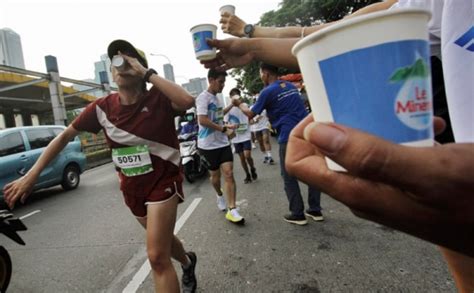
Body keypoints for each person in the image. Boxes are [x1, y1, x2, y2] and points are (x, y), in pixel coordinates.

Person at [3, 40, 198, 292]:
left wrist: (146, 72)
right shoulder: (102, 108)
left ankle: (180, 264)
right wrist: (31, 175)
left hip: (163, 181)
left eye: (127, 59)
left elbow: (187, 101)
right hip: (132, 187)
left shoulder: (159, 98)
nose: (119, 64)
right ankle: (187, 260)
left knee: (156, 257)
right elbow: (63, 137)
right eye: (114, 60)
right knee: (163, 242)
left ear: (139, 68)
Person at [233, 63, 323, 226]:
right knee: (311, 171)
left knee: (288, 176)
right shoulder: (289, 85)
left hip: (289, 135)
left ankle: (297, 213)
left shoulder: (267, 91)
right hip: (307, 132)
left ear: (266, 74)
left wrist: (239, 102)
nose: (261, 77)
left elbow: (250, 114)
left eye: (261, 74)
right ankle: (315, 209)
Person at [195, 69, 245, 224]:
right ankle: (219, 194)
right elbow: (202, 120)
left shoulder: (217, 99)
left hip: (222, 143)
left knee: (229, 174)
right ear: (211, 80)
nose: (223, 85)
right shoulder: (202, 98)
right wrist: (223, 129)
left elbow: (218, 116)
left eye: (224, 82)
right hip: (208, 146)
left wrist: (228, 124)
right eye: (220, 81)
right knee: (215, 178)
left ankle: (232, 209)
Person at [225, 88, 258, 183]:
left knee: (247, 155)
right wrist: (230, 126)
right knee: (242, 158)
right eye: (233, 96)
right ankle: (247, 175)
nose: (235, 98)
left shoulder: (244, 105)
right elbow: (225, 121)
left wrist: (238, 105)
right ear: (230, 97)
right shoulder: (229, 108)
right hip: (236, 137)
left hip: (246, 135)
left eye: (237, 96)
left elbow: (249, 116)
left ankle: (252, 168)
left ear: (240, 96)